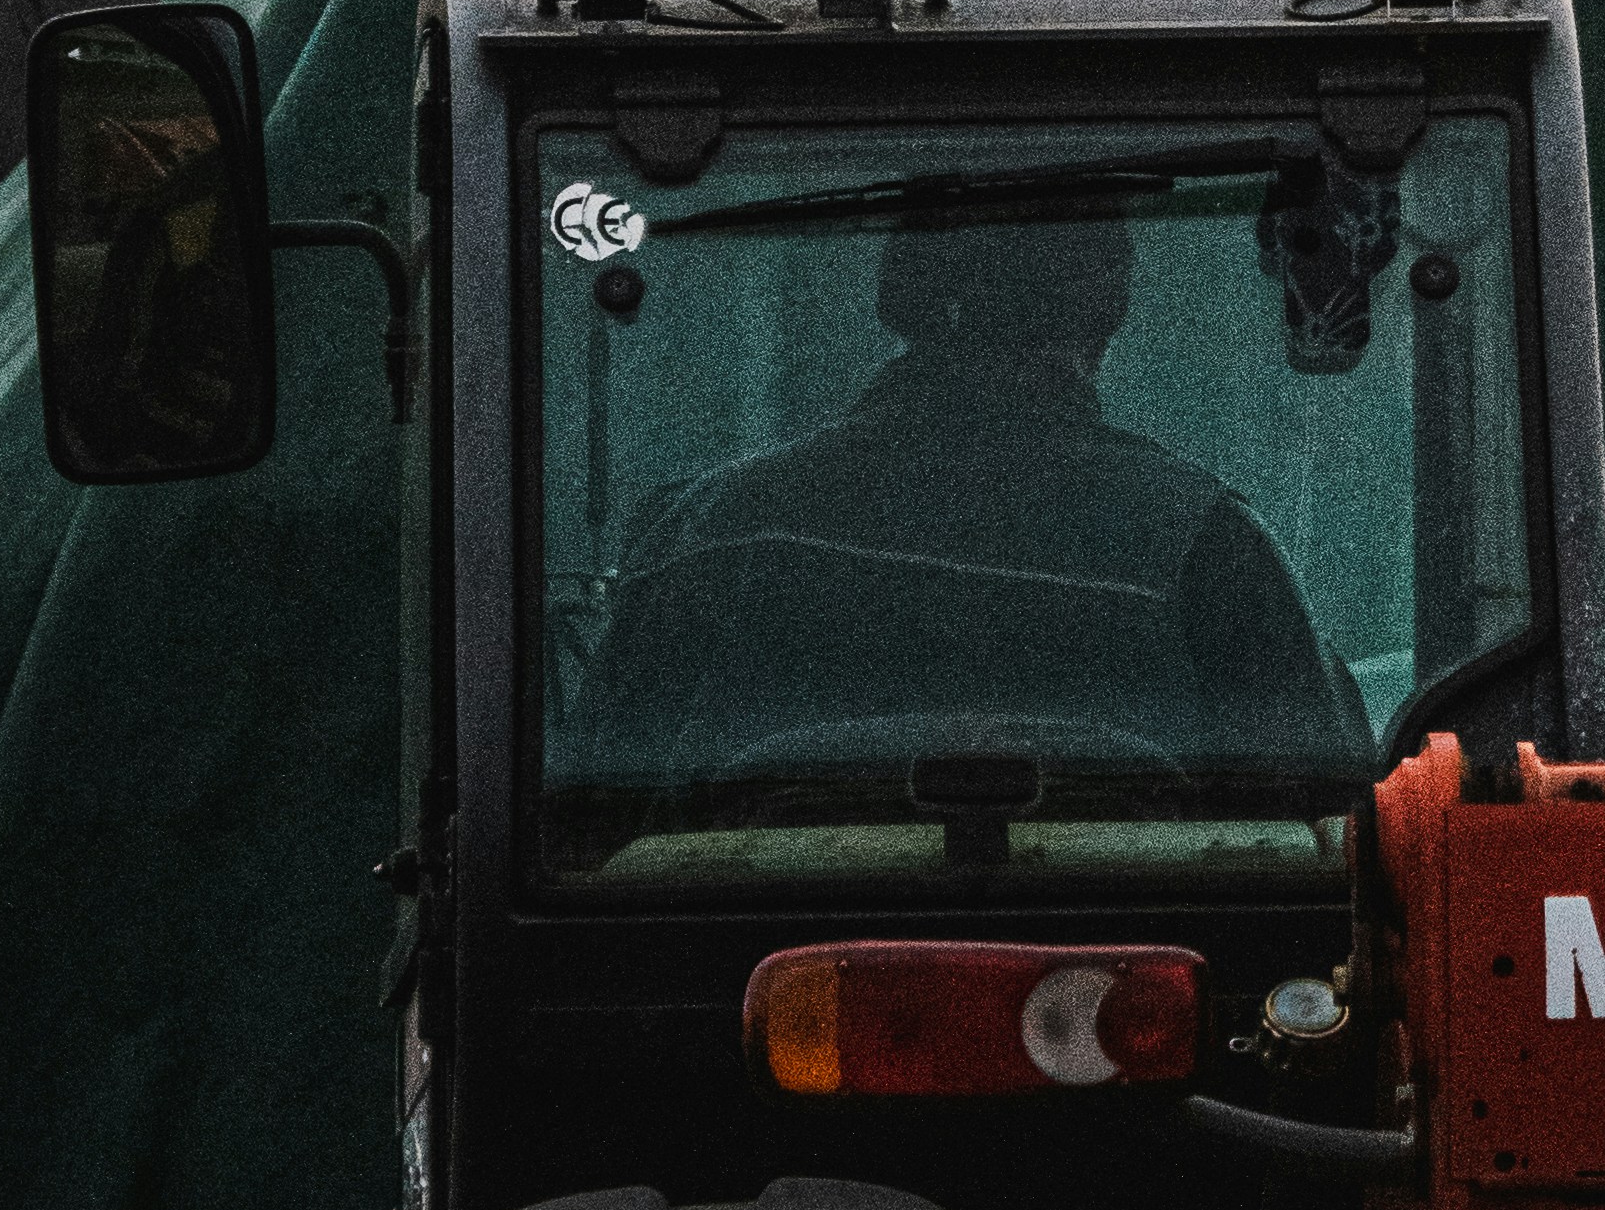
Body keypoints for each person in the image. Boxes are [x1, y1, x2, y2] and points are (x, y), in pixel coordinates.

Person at [568, 200, 1369, 803]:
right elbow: (1323, 832)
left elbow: (590, 832)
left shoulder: (703, 533)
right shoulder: (1204, 544)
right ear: (1108, 310)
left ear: (901, 297)